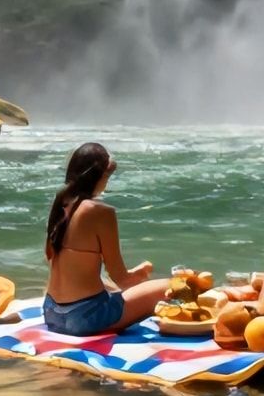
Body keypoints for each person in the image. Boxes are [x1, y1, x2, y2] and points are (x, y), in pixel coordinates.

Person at [42, 142, 170, 335]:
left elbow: (54, 259)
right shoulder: (101, 212)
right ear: (101, 176)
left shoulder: (61, 202)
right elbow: (121, 279)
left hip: (52, 312)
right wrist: (139, 278)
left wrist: (131, 279)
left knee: (114, 289)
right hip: (86, 318)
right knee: (170, 287)